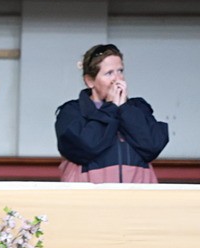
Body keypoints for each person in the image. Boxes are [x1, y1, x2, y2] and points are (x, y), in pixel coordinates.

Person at [55, 43, 168, 183]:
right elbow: (85, 148)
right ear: (89, 81)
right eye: (109, 73)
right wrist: (110, 108)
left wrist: (124, 109)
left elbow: (152, 146)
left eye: (120, 71)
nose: (117, 79)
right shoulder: (72, 112)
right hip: (89, 198)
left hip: (137, 197)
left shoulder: (138, 107)